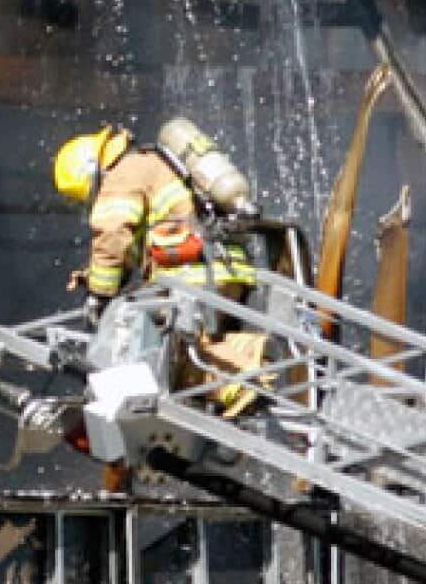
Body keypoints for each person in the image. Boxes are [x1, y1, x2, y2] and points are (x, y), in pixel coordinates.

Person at [52, 124, 269, 416]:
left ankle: (241, 385)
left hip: (192, 277)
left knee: (162, 357)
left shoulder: (122, 175)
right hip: (226, 270)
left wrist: (98, 295)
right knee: (204, 344)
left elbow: (113, 234)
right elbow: (133, 247)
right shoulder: (154, 163)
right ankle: (255, 356)